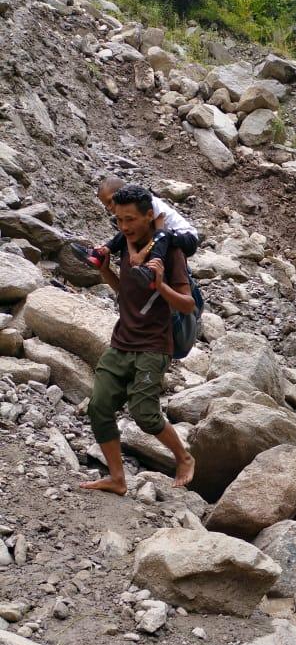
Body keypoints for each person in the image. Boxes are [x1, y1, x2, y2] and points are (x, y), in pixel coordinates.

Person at [81, 184, 196, 495]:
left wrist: (160, 285)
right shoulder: (123, 246)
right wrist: (105, 270)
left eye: (130, 219)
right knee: (99, 407)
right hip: (121, 342)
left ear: (150, 216)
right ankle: (117, 479)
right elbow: (126, 292)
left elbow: (187, 305)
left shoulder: (170, 251)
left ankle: (184, 457)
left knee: (145, 414)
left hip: (153, 347)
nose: (124, 227)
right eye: (118, 220)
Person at [96, 175, 199, 288]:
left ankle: (151, 270)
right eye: (106, 205)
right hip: (163, 235)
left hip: (186, 238)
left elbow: (160, 233)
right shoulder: (126, 212)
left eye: (111, 201)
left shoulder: (148, 203)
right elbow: (127, 235)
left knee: (158, 234)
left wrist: (141, 255)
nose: (110, 208)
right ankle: (103, 251)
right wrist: (133, 254)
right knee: (128, 229)